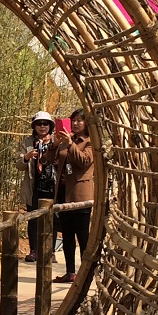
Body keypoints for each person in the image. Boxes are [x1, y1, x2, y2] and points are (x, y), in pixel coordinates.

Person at [52, 108, 95, 282]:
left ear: (87, 124)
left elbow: (84, 160)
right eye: (73, 120)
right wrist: (55, 144)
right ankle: (70, 272)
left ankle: (86, 273)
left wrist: (71, 144)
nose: (76, 123)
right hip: (63, 193)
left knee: (82, 235)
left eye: (80, 120)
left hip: (80, 195)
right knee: (67, 235)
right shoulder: (66, 140)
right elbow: (49, 159)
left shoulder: (91, 142)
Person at [18, 111, 59, 262]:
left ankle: (51, 251)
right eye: (39, 124)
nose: (42, 127)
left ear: (50, 126)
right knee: (33, 219)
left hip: (52, 186)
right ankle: (34, 250)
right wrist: (26, 158)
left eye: (45, 123)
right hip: (34, 186)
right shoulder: (27, 142)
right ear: (34, 126)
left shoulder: (56, 141)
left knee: (52, 219)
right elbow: (19, 166)